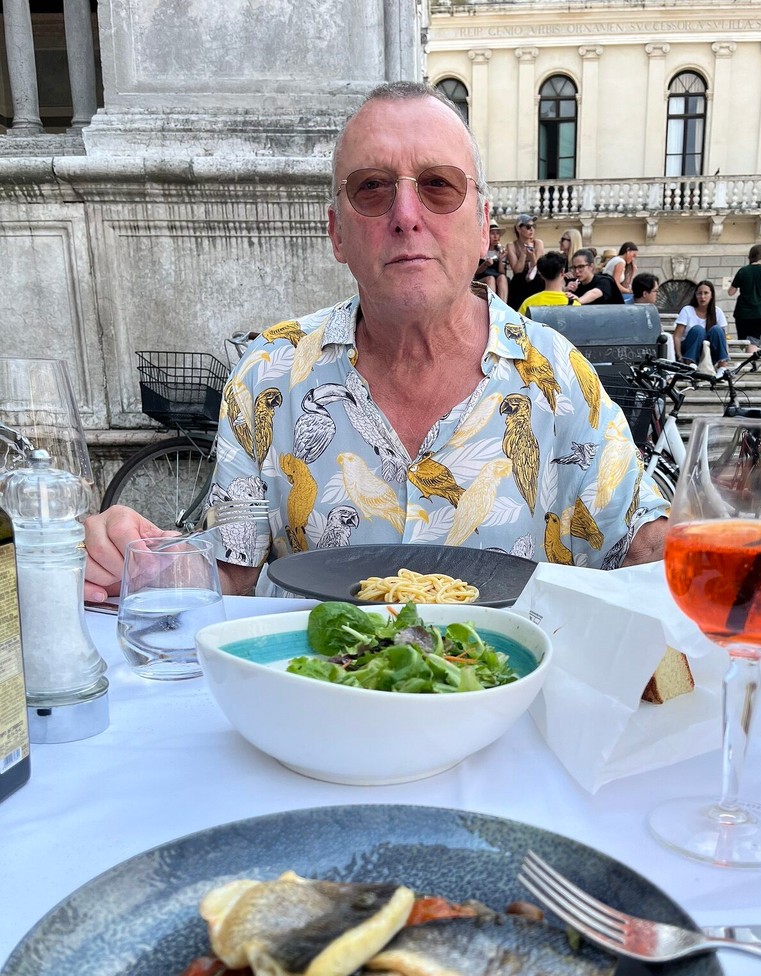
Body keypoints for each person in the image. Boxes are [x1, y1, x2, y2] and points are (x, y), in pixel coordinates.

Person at [82, 82, 667, 602]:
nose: (407, 215)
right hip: (316, 709)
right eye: (372, 189)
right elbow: (230, 572)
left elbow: (635, 548)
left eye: (438, 186)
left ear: (484, 224)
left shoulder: (557, 376)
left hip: (497, 714)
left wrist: (713, 538)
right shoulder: (268, 377)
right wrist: (136, 557)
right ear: (337, 233)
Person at [727, 244, 761, 354]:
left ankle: (740, 362)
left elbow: (731, 292)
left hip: (742, 312)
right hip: (760, 313)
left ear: (749, 256)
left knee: (743, 340)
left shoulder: (743, 271)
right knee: (754, 340)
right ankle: (749, 364)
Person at [673, 281, 729, 371]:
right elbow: (677, 336)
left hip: (709, 352)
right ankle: (690, 364)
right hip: (688, 351)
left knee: (717, 329)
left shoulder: (717, 312)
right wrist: (679, 356)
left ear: (712, 295)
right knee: (698, 330)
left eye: (706, 293)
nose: (702, 297)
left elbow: (722, 338)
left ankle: (722, 367)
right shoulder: (687, 310)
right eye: (699, 293)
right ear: (695, 295)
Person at [505, 214, 545, 312]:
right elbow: (517, 271)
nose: (531, 230)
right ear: (519, 229)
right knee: (517, 281)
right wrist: (523, 254)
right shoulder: (512, 245)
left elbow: (539, 267)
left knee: (539, 280)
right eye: (528, 227)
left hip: (536, 277)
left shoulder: (538, 243)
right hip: (520, 280)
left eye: (533, 226)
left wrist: (532, 256)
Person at [473, 218, 508, 302]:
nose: (495, 236)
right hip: (482, 279)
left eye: (497, 233)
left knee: (502, 278)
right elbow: (475, 273)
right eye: (492, 233)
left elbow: (502, 272)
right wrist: (485, 264)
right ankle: (492, 305)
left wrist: (500, 259)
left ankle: (503, 305)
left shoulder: (500, 250)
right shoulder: (479, 250)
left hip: (497, 277)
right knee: (490, 279)